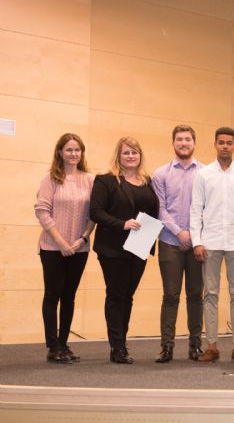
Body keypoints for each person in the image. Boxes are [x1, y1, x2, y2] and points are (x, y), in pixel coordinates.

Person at [90, 137, 159, 364]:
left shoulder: (147, 181)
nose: (131, 156)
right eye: (126, 153)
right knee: (116, 294)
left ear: (140, 156)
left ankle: (121, 342)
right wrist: (122, 224)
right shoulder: (106, 180)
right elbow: (96, 212)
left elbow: (153, 211)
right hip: (113, 247)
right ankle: (117, 346)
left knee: (127, 296)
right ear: (118, 156)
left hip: (139, 246)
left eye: (134, 152)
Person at [190, 127, 234, 363]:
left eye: (229, 142)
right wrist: (197, 242)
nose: (225, 146)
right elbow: (196, 210)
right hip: (210, 241)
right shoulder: (203, 174)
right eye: (221, 142)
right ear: (215, 144)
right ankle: (212, 346)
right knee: (210, 294)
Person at [35, 133, 95, 364]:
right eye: (69, 149)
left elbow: (93, 214)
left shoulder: (89, 180)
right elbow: (42, 211)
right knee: (52, 295)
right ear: (60, 152)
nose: (73, 154)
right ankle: (53, 347)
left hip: (79, 248)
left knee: (69, 296)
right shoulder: (50, 178)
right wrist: (61, 242)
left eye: (77, 150)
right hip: (52, 247)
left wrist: (83, 239)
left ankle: (63, 343)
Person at [152, 125, 204, 363]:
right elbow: (160, 209)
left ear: (194, 143)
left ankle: (196, 346)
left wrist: (193, 235)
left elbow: (207, 208)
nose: (184, 143)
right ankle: (167, 347)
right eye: (179, 139)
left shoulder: (205, 173)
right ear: (173, 143)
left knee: (195, 295)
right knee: (170, 296)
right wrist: (179, 233)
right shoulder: (160, 174)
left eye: (188, 139)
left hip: (198, 243)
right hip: (169, 241)